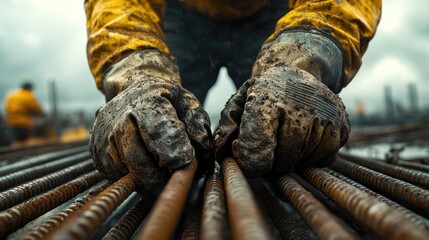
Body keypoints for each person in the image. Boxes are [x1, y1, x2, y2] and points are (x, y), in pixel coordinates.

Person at [85, 0, 381, 197]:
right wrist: (134, 76)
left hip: (275, 11)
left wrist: (305, 61)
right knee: (157, 140)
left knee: (277, 135)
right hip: (176, 14)